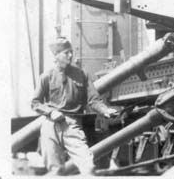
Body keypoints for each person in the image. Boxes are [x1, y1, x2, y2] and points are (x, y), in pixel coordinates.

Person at [31, 37, 119, 175]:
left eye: (71, 52)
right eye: (66, 53)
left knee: (88, 167)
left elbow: (93, 99)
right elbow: (35, 103)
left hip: (72, 126)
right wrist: (50, 112)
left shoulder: (81, 74)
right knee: (55, 171)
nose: (71, 55)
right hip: (50, 126)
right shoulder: (47, 76)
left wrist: (105, 110)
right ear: (57, 55)